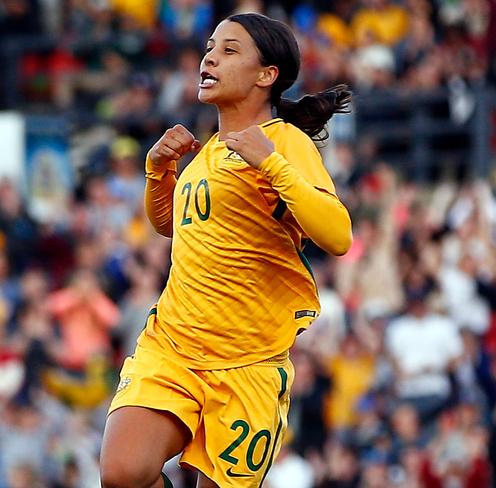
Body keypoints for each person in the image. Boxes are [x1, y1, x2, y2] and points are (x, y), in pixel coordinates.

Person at [99, 12, 352, 488]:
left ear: (266, 75)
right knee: (122, 473)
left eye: (229, 50)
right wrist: (159, 173)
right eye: (210, 46)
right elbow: (172, 226)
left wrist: (274, 166)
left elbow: (338, 236)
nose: (209, 56)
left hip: (247, 364)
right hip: (173, 347)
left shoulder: (283, 142)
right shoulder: (208, 153)